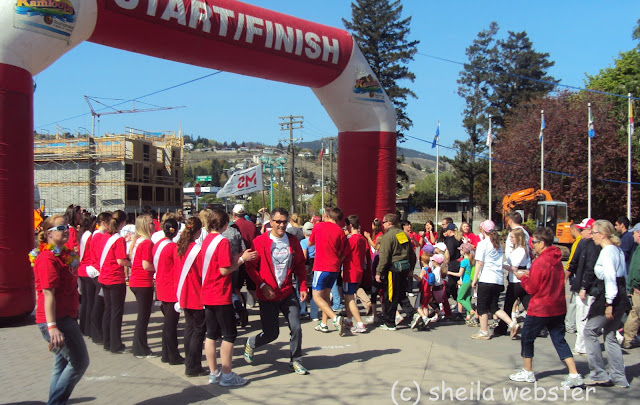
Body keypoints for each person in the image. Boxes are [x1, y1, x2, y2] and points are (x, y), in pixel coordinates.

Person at [509, 227, 584, 388]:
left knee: (527, 338)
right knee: (559, 339)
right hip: (557, 306)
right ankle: (574, 373)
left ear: (542, 243)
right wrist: (529, 275)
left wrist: (522, 278)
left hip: (541, 307)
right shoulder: (556, 259)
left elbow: (532, 288)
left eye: (534, 242)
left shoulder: (540, 261)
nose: (533, 245)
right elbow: (547, 278)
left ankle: (528, 371)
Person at [244, 207, 310, 375]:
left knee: (296, 328)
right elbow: (250, 267)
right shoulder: (260, 242)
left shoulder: (293, 240)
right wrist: (262, 285)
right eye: (278, 221)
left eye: (284, 222)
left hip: (287, 293)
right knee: (271, 334)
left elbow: (300, 266)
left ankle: (296, 360)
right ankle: (251, 343)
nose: (281, 225)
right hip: (268, 294)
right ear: (271, 222)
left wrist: (302, 286)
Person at [32, 214, 89, 405]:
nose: (65, 230)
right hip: (59, 320)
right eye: (60, 228)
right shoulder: (47, 258)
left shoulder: (63, 254)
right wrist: (52, 326)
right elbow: (48, 295)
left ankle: (55, 402)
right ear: (48, 233)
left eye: (66, 227)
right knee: (79, 362)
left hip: (68, 316)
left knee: (61, 363)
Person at [200, 208, 256, 387]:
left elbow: (219, 262)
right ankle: (227, 374)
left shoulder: (207, 239)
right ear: (225, 224)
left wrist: (237, 257)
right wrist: (242, 260)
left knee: (211, 334)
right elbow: (224, 269)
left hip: (207, 291)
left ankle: (214, 372)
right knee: (229, 335)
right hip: (220, 293)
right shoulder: (222, 241)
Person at [583, 220, 630, 388]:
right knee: (610, 337)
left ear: (602, 234)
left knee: (589, 331)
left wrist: (609, 302)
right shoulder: (616, 250)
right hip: (618, 295)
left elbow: (611, 277)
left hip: (609, 297)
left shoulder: (608, 252)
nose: (592, 235)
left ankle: (598, 372)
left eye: (594, 232)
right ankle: (618, 377)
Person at [471, 220, 518, 340]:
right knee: (494, 307)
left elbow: (479, 263)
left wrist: (475, 279)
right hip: (498, 279)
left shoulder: (483, 244)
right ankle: (512, 324)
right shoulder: (497, 244)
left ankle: (484, 331)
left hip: (486, 278)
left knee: (481, 307)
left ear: (482, 230)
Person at [175, 217, 208, 377]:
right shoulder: (197, 250)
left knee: (189, 328)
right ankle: (193, 365)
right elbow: (203, 272)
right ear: (198, 231)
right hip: (196, 293)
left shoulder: (180, 247)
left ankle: (190, 361)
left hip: (184, 293)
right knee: (198, 332)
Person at [309, 207, 348, 334]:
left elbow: (310, 243)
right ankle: (323, 324)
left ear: (327, 216)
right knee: (326, 295)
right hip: (334, 266)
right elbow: (343, 251)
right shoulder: (341, 231)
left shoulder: (319, 226)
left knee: (316, 296)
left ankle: (335, 319)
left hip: (321, 265)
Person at [376, 213, 417, 331]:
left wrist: (379, 272)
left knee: (390, 296)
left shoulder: (387, 236)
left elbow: (384, 256)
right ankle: (413, 314)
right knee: (400, 294)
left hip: (393, 269)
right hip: (404, 267)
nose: (382, 224)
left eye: (383, 222)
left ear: (389, 223)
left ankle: (390, 322)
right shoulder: (402, 234)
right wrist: (411, 268)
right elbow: (411, 254)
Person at [98, 210, 131, 354]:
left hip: (104, 276)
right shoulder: (119, 239)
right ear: (122, 223)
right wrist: (131, 263)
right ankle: (116, 344)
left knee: (108, 310)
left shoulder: (105, 236)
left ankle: (107, 341)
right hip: (115, 278)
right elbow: (120, 260)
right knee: (116, 312)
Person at [153, 218, 184, 365]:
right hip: (171, 287)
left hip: (160, 285)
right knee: (171, 325)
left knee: (167, 324)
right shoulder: (173, 247)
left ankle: (166, 354)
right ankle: (173, 355)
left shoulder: (158, 244)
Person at [568, 218, 600, 355]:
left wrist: (584, 287)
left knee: (584, 317)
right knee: (580, 316)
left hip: (587, 288)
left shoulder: (593, 246)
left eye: (583, 230)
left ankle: (583, 345)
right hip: (581, 284)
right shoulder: (583, 243)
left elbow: (590, 268)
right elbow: (574, 262)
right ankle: (581, 344)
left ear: (590, 230)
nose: (581, 232)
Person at [129, 215, 157, 358]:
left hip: (136, 280)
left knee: (143, 316)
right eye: (151, 223)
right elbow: (146, 265)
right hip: (142, 282)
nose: (154, 225)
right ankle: (140, 348)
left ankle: (140, 346)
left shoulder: (138, 240)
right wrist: (158, 268)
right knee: (143, 317)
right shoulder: (146, 242)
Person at [496, 228, 531, 339]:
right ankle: (537, 325)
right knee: (527, 304)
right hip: (515, 280)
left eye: (512, 237)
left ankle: (502, 327)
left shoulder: (521, 250)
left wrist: (501, 265)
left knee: (509, 304)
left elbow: (514, 267)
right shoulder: (518, 250)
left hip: (517, 281)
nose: (510, 239)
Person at [88, 212, 111, 345]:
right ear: (104, 223)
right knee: (99, 302)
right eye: (109, 222)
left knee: (100, 302)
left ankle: (97, 331)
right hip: (98, 271)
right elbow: (99, 255)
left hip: (98, 270)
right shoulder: (98, 236)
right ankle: (96, 332)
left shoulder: (98, 235)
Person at [343, 215, 368, 333]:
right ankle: (349, 319)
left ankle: (360, 323)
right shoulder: (362, 238)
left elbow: (344, 254)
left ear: (350, 225)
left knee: (349, 297)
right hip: (358, 270)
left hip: (350, 270)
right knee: (348, 296)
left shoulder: (351, 239)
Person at [77, 214, 95, 337]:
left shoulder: (84, 235)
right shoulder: (90, 236)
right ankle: (88, 328)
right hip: (89, 270)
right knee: (90, 302)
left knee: (86, 301)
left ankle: (83, 326)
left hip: (83, 269)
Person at [623, 222, 640, 349]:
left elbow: (636, 270)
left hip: (637, 287)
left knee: (635, 313)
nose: (632, 235)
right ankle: (628, 338)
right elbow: (635, 270)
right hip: (637, 288)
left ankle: (628, 338)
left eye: (634, 232)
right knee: (635, 313)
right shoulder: (637, 248)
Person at [564, 224, 582, 334]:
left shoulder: (578, 242)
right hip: (577, 275)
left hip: (575, 275)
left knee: (574, 301)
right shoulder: (580, 242)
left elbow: (572, 260)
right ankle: (570, 323)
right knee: (575, 301)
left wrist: (566, 274)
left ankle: (570, 323)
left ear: (573, 230)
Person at [300, 222, 317, 319]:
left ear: (304, 232)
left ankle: (303, 310)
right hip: (315, 265)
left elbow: (304, 256)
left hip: (306, 267)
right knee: (314, 290)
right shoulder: (316, 241)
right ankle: (314, 314)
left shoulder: (303, 242)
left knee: (302, 288)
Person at [456, 243, 476, 325]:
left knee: (459, 298)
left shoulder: (464, 261)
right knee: (467, 298)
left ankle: (471, 311)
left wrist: (449, 272)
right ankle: (468, 316)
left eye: (461, 250)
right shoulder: (471, 260)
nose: (460, 251)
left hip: (465, 282)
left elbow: (459, 274)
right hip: (470, 281)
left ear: (463, 251)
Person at [442, 222, 462, 303]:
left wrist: (446, 261)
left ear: (449, 231)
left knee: (450, 284)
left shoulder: (450, 240)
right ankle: (458, 302)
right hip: (458, 262)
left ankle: (445, 302)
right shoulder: (459, 239)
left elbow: (450, 252)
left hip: (452, 263)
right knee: (455, 285)